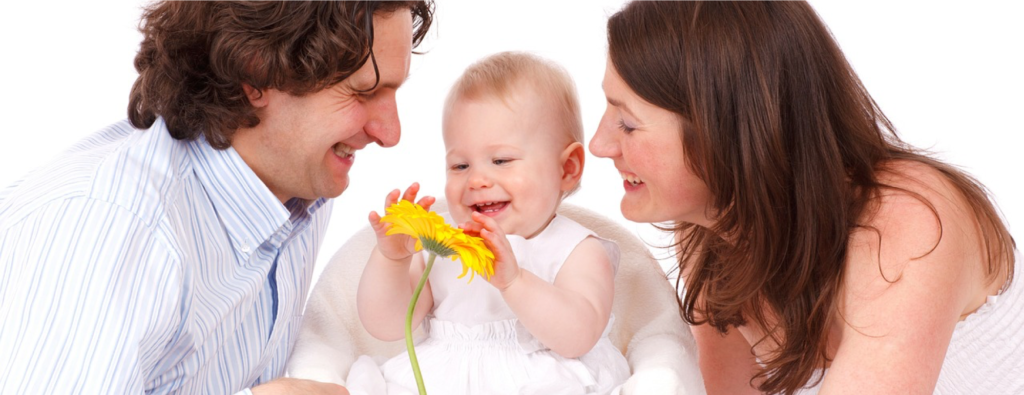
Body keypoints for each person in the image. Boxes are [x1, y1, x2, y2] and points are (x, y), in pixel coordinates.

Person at [0, 0, 434, 393]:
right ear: (257, 75)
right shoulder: (108, 231)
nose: (390, 134)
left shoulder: (297, 188)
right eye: (362, 91)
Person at [589, 0, 1020, 394]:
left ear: (724, 132)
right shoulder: (709, 237)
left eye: (627, 123)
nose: (598, 144)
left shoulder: (909, 224)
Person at [347, 52, 631, 394]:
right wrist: (393, 258)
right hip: (442, 379)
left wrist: (514, 282)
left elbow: (579, 337)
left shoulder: (576, 249)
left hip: (538, 382)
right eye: (460, 166)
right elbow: (387, 324)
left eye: (501, 160)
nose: (477, 180)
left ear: (567, 168)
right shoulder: (445, 245)